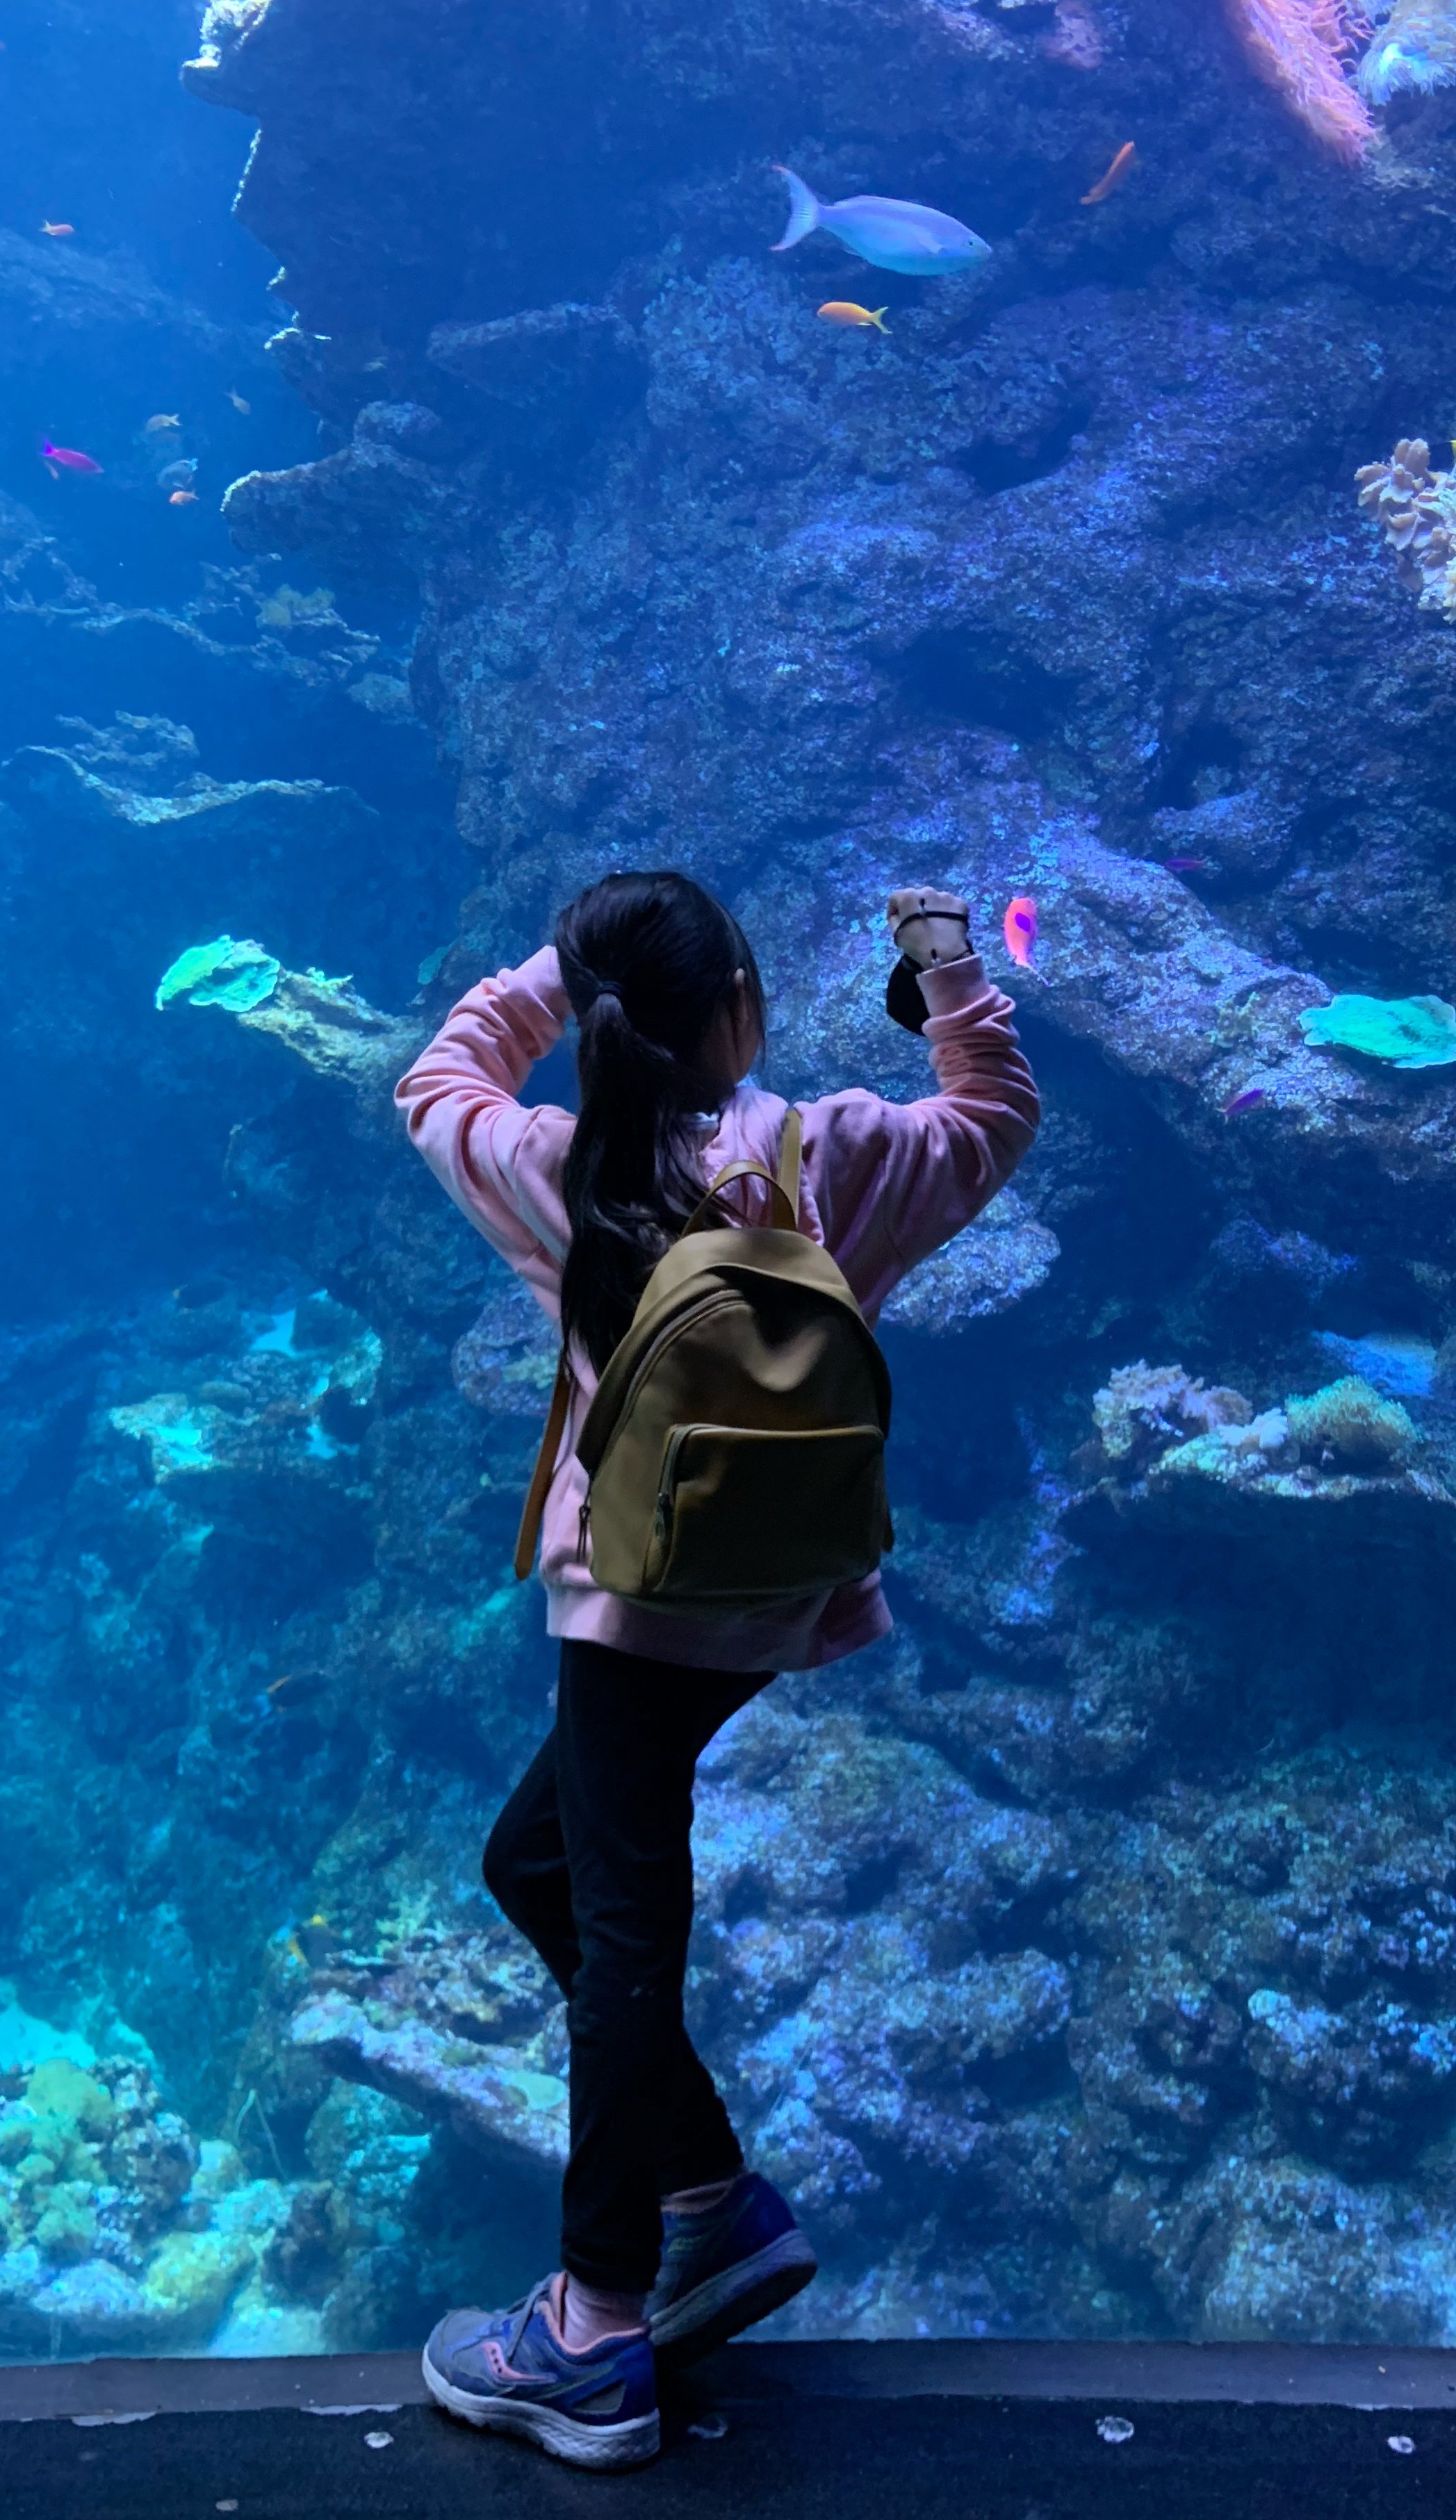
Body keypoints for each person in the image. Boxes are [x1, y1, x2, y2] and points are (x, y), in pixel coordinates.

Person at [392, 870, 1039, 2469]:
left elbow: (436, 1082)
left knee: (618, 1931)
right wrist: (946, 965)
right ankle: (710, 2206)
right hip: (778, 1603)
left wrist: (552, 973)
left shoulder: (562, 1171)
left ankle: (596, 2336)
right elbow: (996, 1113)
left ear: (603, 1023)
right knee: (535, 1861)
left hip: (629, 1608)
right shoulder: (837, 1157)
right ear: (744, 1008)